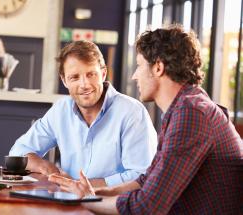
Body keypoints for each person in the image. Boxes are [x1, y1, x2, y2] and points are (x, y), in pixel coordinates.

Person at [49, 25, 243, 214]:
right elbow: (147, 179)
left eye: (140, 66)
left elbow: (147, 207)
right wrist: (94, 193)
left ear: (158, 67)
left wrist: (88, 201)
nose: (134, 76)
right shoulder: (185, 107)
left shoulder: (191, 114)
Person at [10, 40, 158, 187]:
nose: (84, 85)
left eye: (91, 74)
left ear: (103, 73)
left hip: (113, 204)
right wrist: (48, 169)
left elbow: (143, 175)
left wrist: (85, 186)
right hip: (68, 202)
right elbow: (18, 152)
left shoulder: (132, 112)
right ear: (64, 80)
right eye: (74, 77)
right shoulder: (61, 109)